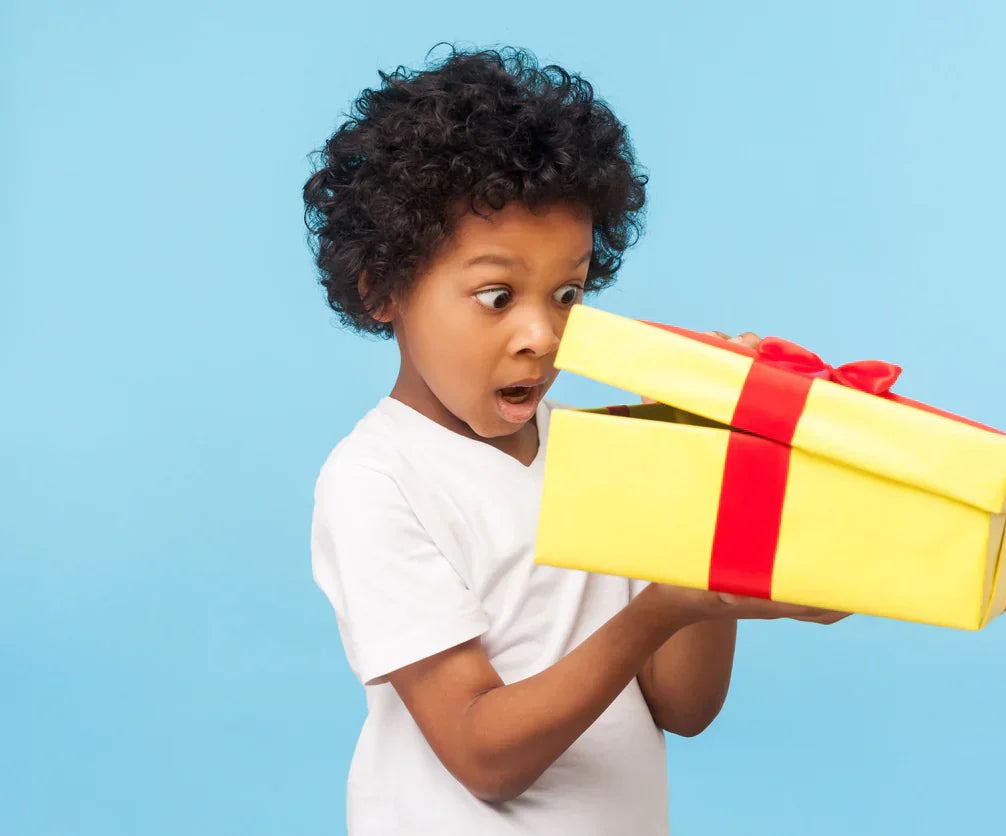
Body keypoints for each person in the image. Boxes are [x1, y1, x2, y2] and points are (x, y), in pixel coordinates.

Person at [302, 43, 850, 835]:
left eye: (568, 293)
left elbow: (683, 706)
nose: (542, 334)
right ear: (382, 286)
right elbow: (482, 754)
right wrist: (657, 611)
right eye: (497, 296)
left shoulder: (598, 452)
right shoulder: (376, 479)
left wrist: (708, 479)